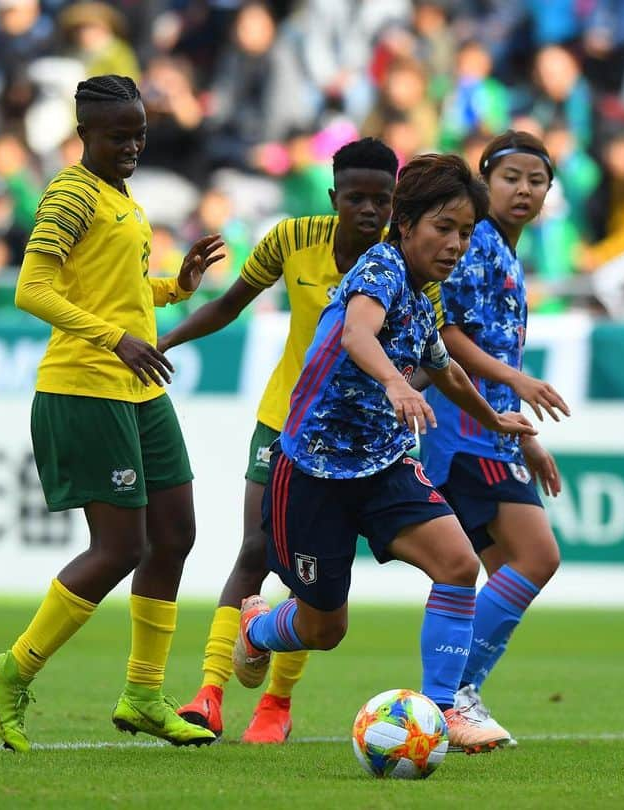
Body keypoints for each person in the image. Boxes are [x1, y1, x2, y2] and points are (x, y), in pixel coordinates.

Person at [233, 153, 537, 754]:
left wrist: (493, 417)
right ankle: (260, 627)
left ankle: (445, 708)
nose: (455, 245)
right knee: (324, 628)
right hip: (313, 469)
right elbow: (356, 334)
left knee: (458, 564)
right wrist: (397, 383)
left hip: (386, 466)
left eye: (466, 233)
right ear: (406, 225)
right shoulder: (380, 268)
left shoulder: (426, 296)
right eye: (443, 229)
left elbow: (445, 373)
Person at [0, 75, 225, 753]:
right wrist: (114, 338)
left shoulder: (119, 196)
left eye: (139, 133)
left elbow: (117, 291)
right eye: (119, 135)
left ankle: (143, 695)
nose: (132, 145)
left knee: (176, 534)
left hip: (139, 390)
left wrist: (178, 287)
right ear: (84, 133)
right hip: (86, 386)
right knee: (121, 548)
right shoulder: (70, 191)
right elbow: (32, 287)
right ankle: (12, 673)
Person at [159, 137, 400, 743]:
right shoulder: (292, 239)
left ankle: (276, 705)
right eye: (356, 198)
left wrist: (402, 388)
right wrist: (166, 341)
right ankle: (208, 694)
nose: (369, 210)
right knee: (255, 549)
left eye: (382, 200)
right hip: (284, 421)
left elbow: (428, 352)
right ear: (333, 197)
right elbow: (231, 304)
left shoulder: (404, 262)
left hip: (355, 438)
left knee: (308, 571)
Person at [420, 131, 568, 745]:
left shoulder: (506, 251)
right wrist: (516, 381)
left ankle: (457, 697)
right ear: (486, 181)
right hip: (462, 429)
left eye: (536, 181)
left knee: (505, 567)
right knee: (537, 557)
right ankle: (452, 695)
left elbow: (490, 338)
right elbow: (443, 334)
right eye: (511, 178)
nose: (524, 190)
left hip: (492, 432)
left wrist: (525, 440)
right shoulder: (476, 240)